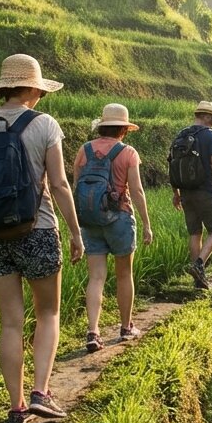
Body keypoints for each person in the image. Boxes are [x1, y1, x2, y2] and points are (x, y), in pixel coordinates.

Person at [0, 54, 84, 423]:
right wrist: (76, 231)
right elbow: (60, 184)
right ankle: (41, 393)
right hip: (39, 229)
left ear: (3, 86)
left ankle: (15, 410)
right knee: (47, 313)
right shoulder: (44, 124)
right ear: (33, 87)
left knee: (10, 322)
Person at [74, 103, 154, 354]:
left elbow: (76, 188)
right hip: (119, 217)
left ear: (102, 126)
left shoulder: (84, 150)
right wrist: (146, 223)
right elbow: (137, 190)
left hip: (90, 221)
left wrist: (75, 226)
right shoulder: (128, 153)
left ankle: (93, 331)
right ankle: (125, 327)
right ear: (124, 129)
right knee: (123, 274)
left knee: (96, 276)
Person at [172, 100, 212, 289]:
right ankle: (199, 265)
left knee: (195, 232)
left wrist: (176, 193)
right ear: (204, 116)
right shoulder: (211, 136)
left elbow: (172, 165)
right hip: (205, 189)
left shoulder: (181, 135)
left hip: (186, 192)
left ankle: (198, 280)